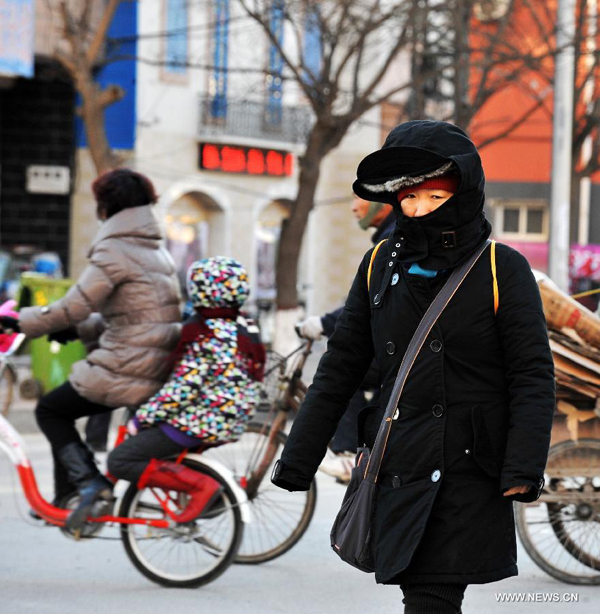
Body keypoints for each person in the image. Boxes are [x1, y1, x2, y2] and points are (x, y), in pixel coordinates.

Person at [271, 120, 555, 614]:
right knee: (420, 594)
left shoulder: (500, 268)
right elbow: (341, 366)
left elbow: (531, 373)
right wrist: (298, 459)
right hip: (399, 463)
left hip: (470, 468)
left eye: (433, 197)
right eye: (408, 199)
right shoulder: (380, 263)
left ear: (464, 192)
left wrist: (524, 466)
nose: (419, 210)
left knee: (431, 597)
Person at [0, 169, 182, 530]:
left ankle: (89, 486)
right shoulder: (153, 249)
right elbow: (135, 317)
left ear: (106, 206)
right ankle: (69, 496)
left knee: (52, 409)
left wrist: (22, 321)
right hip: (150, 358)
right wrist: (78, 329)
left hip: (129, 364)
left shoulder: (116, 248)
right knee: (62, 407)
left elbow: (74, 305)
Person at [107, 256, 265, 520]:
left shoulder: (204, 332)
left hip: (199, 421)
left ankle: (201, 487)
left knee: (120, 460)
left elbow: (183, 388)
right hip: (231, 420)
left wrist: (143, 418)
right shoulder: (242, 325)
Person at [298, 197, 394, 483]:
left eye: (360, 199)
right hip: (398, 344)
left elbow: (370, 299)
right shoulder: (390, 237)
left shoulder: (394, 239)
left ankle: (351, 455)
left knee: (345, 372)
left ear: (386, 204)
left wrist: (325, 323)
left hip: (400, 346)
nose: (354, 207)